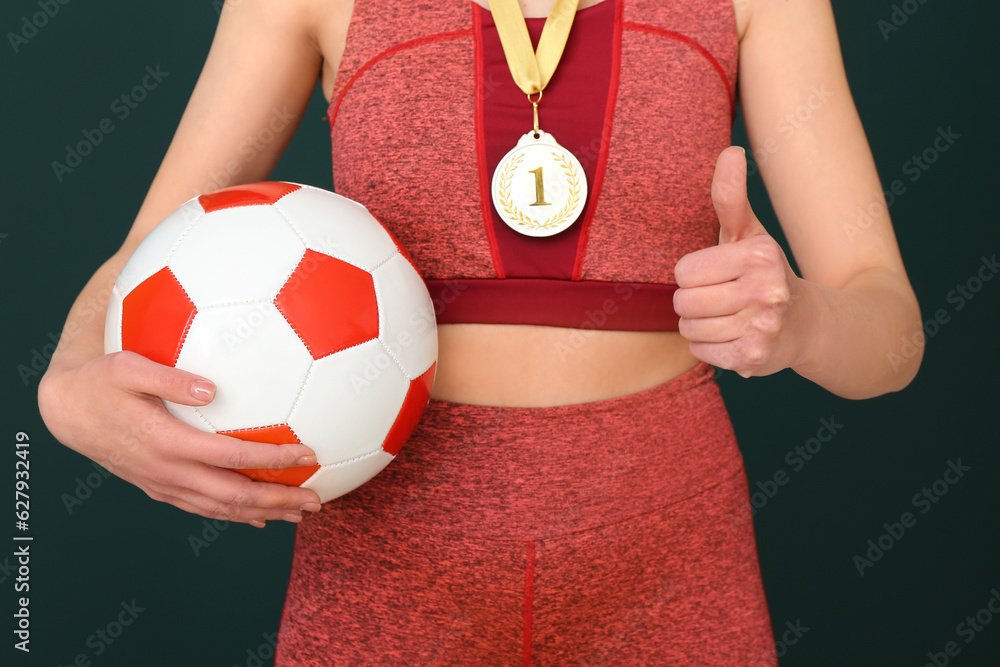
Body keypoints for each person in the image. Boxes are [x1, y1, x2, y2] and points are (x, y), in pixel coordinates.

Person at [38, 0, 923, 663]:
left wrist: (802, 320)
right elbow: (145, 259)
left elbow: (889, 334)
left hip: (671, 559)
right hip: (381, 577)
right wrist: (68, 383)